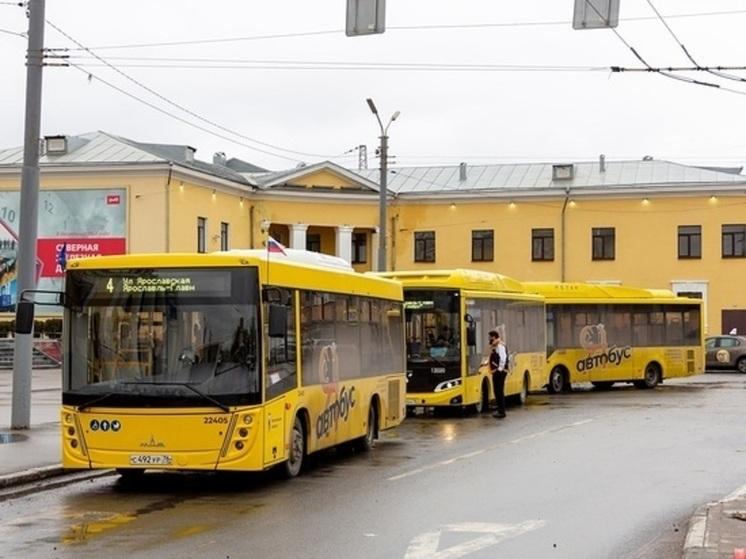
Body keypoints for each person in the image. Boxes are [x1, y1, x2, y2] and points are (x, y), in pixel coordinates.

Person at [488, 329, 508, 419]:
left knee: (499, 391)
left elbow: (503, 358)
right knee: (496, 390)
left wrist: (499, 369)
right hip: (496, 371)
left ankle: (502, 411)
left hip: (500, 372)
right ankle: (500, 409)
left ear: (494, 337)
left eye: (490, 337)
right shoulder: (495, 346)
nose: (489, 339)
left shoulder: (500, 346)